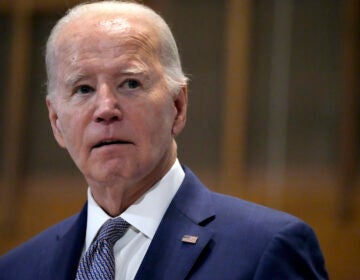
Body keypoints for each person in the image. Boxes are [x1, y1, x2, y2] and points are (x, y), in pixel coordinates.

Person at [0, 1, 328, 279]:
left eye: (130, 84)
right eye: (83, 89)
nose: (105, 109)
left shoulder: (265, 249)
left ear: (178, 106)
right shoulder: (17, 269)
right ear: (56, 122)